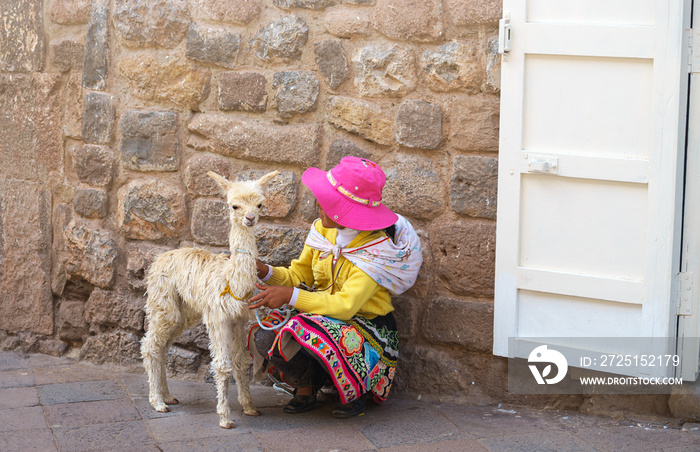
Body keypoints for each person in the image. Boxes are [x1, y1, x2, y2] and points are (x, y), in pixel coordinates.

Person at [247, 156, 423, 418]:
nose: (318, 206)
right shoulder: (322, 231)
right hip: (322, 318)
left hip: (365, 326)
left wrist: (292, 296)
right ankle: (306, 387)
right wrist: (264, 270)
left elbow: (344, 306)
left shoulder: (374, 251)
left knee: (301, 328)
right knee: (266, 332)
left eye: (327, 203)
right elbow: (298, 273)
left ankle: (354, 391)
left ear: (348, 211)